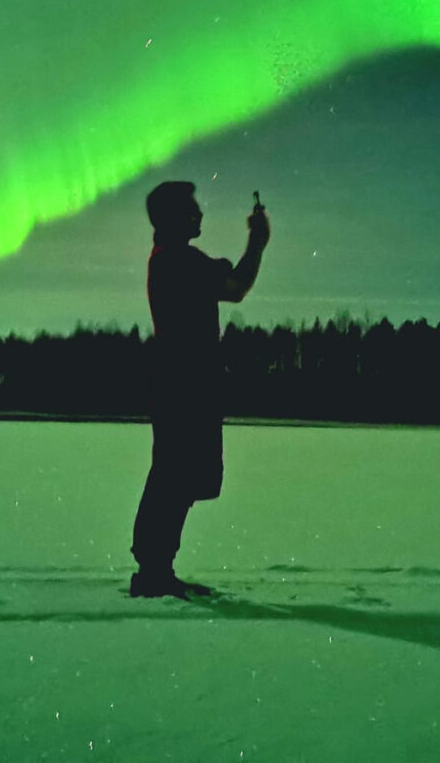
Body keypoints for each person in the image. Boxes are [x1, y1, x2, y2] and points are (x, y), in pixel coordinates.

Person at [129, 181, 270, 598]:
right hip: (184, 386)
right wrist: (258, 242)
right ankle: (153, 571)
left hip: (181, 384)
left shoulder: (169, 260)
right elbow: (237, 287)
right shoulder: (179, 261)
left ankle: (156, 569)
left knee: (178, 476)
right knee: (175, 477)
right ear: (174, 218)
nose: (200, 215)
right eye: (192, 210)